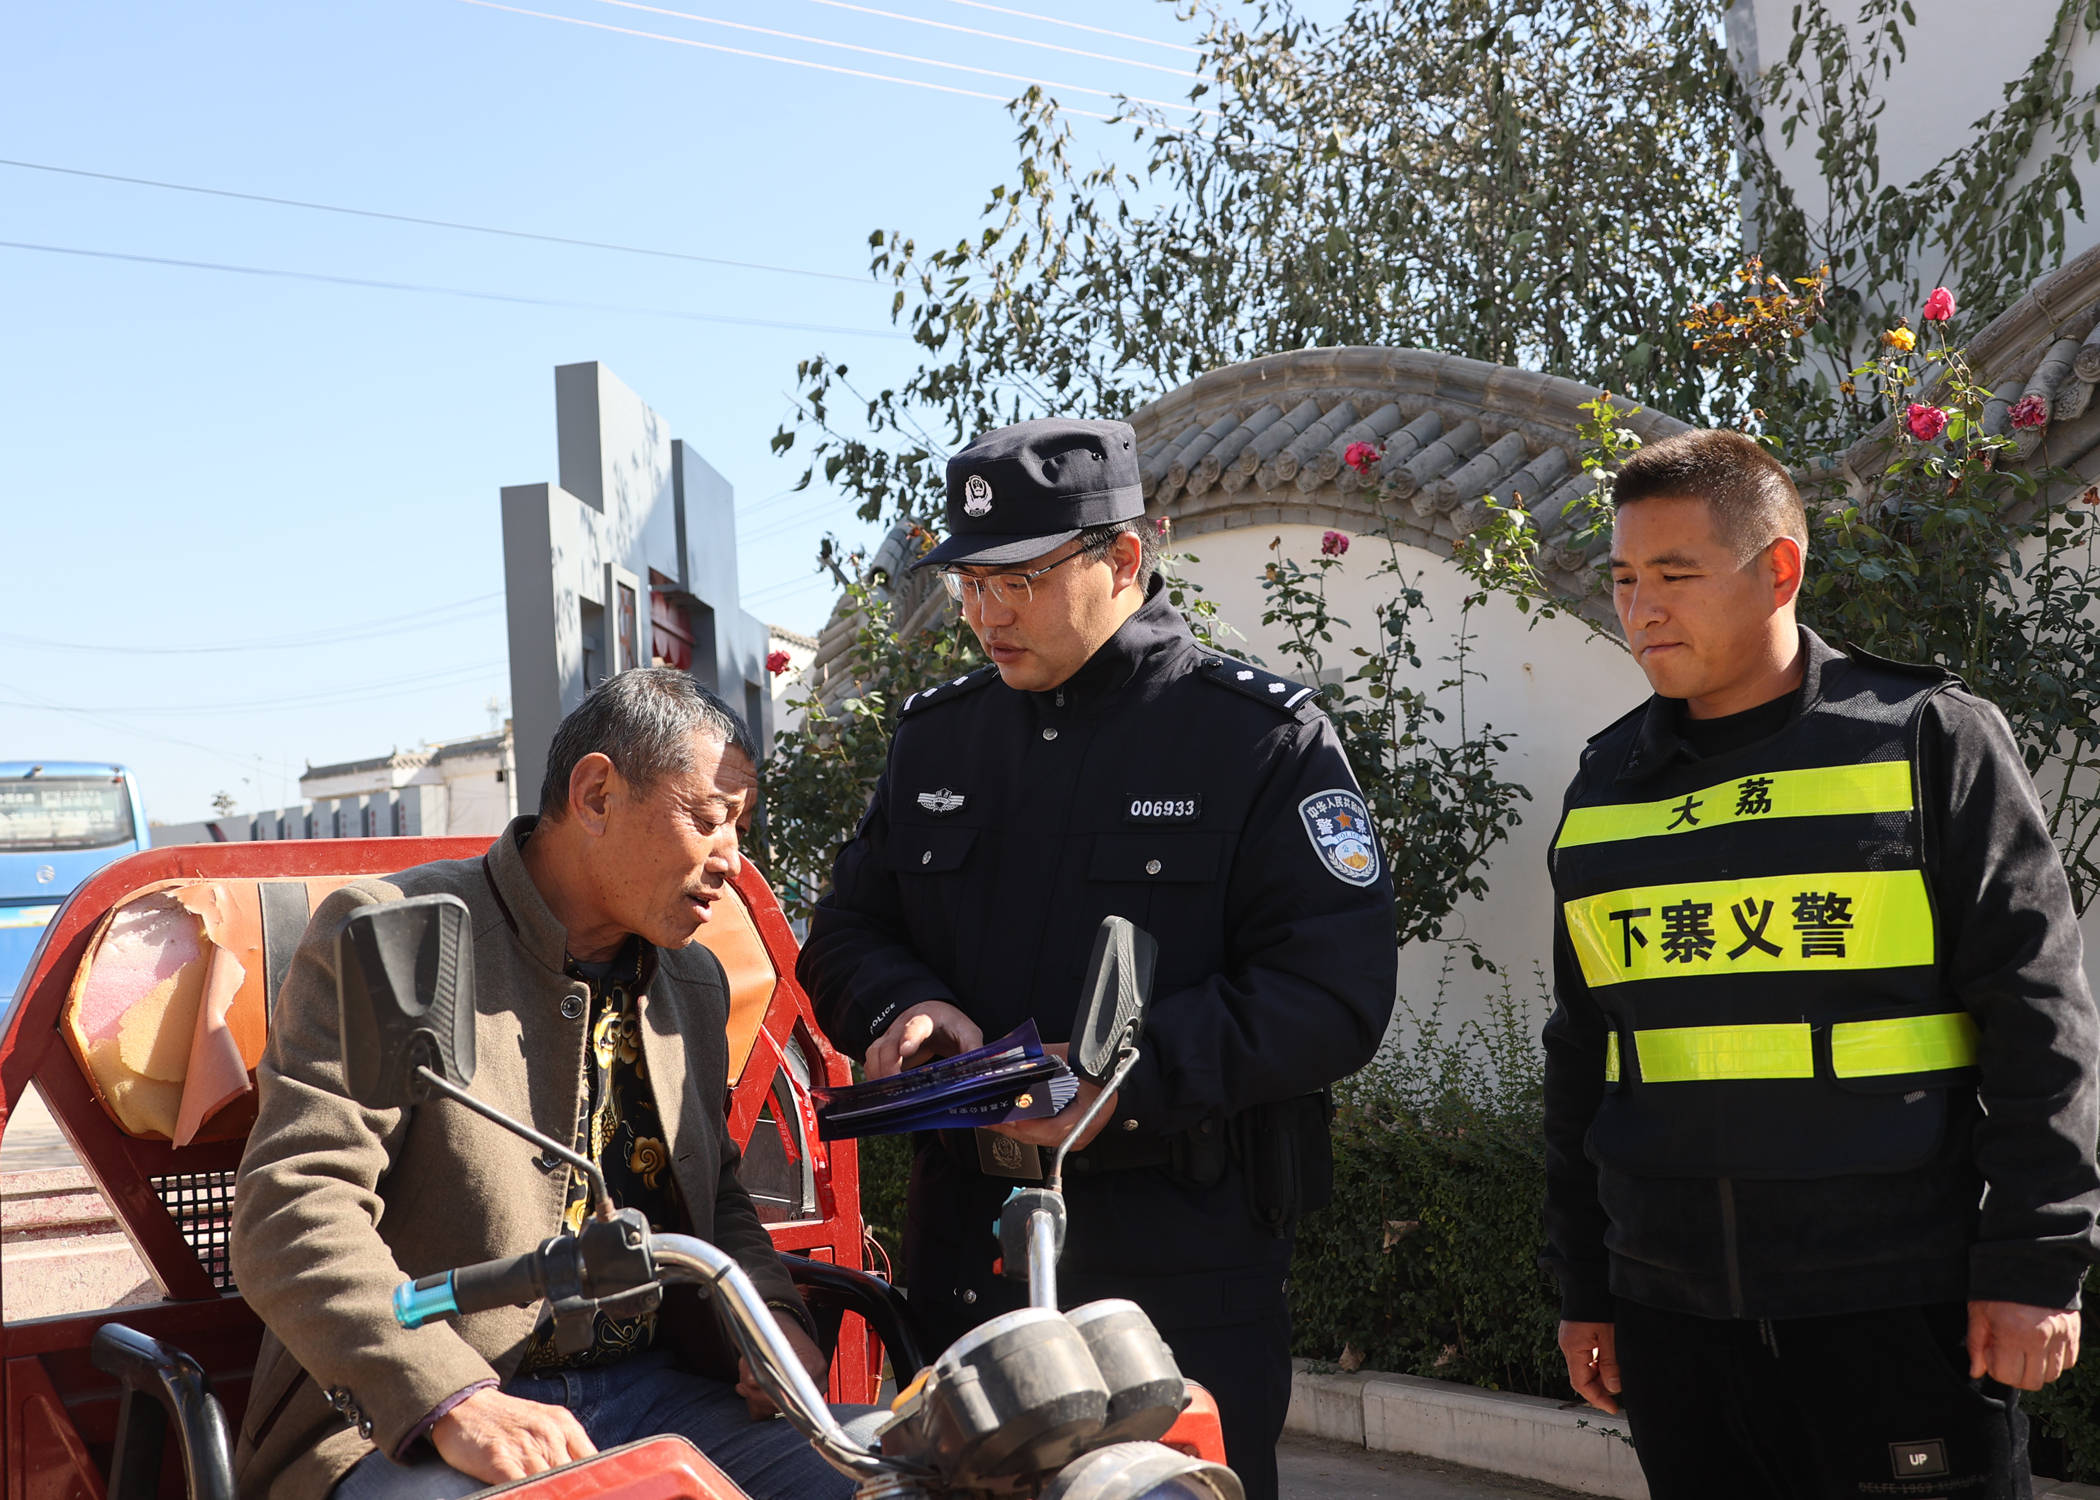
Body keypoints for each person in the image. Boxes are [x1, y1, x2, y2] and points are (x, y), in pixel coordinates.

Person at [795, 416, 1399, 1500]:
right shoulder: (940, 738)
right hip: (965, 1265)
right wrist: (907, 1006)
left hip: (1175, 1266)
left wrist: (1117, 1083)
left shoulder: (1256, 742)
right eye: (970, 583)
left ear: (1125, 556)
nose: (983, 614)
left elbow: (1332, 992)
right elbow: (844, 933)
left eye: (1017, 581)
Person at [1542, 427, 2100, 1499]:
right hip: (1677, 1322)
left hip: (1898, 1310)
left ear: (1778, 570)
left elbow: (2041, 1022)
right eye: (1622, 578)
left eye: (1674, 575)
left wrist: (2036, 1267)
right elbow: (1585, 1059)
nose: (1640, 607)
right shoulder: (1607, 787)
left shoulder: (1926, 741)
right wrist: (1587, 1291)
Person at [230, 671, 853, 1500]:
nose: (733, 860)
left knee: (885, 1479)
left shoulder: (691, 984)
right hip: (409, 1418)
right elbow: (294, 1205)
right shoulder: (394, 933)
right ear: (596, 793)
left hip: (662, 1395)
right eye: (708, 819)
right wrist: (452, 1398)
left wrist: (764, 1321)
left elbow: (717, 1198)